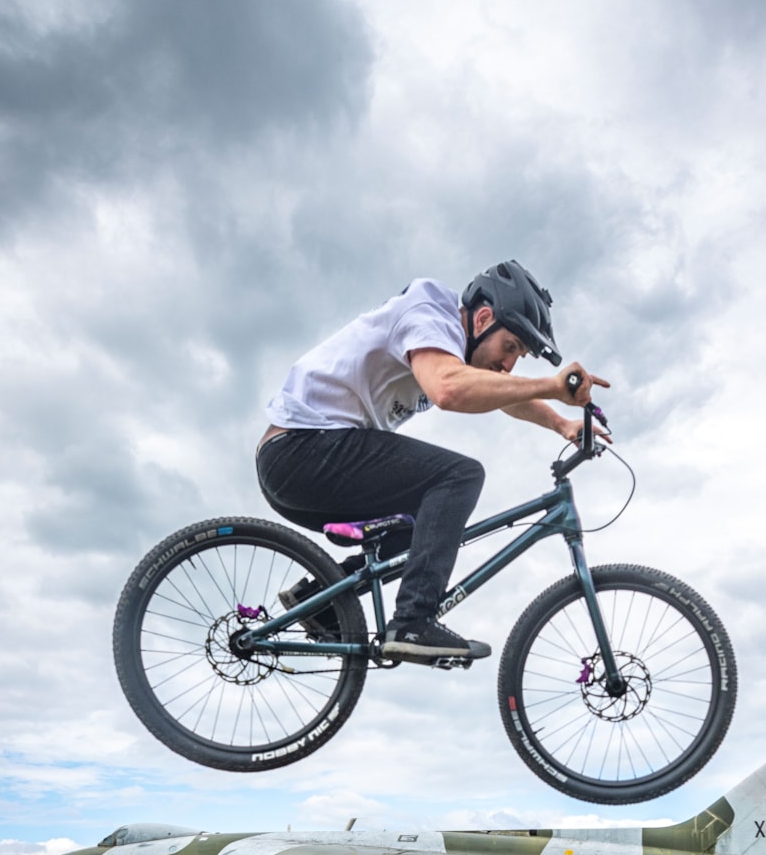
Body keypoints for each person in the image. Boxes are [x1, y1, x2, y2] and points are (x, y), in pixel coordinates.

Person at [256, 260, 608, 664]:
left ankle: (319, 598)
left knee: (430, 525)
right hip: (300, 449)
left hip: (305, 466)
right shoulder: (429, 309)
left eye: (519, 356)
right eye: (510, 347)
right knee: (460, 476)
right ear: (483, 318)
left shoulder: (447, 345)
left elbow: (499, 394)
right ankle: (412, 622)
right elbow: (448, 389)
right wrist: (553, 385)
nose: (510, 365)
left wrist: (561, 423)